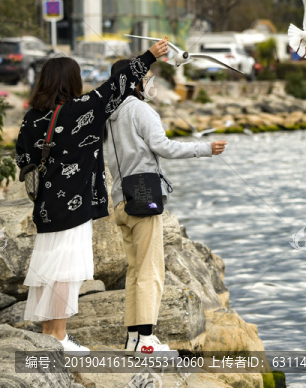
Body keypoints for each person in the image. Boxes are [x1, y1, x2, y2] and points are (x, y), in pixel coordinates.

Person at [14, 39, 167, 352]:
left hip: (45, 206)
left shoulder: (31, 118)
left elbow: (21, 158)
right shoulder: (80, 110)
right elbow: (117, 84)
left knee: (49, 268)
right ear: (72, 81)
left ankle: (49, 333)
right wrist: (150, 56)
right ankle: (57, 337)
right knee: (65, 271)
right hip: (75, 203)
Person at [104, 60, 226, 356]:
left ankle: (134, 338)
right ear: (134, 82)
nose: (150, 82)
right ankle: (146, 340)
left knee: (135, 271)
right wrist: (205, 149)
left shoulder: (107, 115)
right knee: (151, 270)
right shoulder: (141, 110)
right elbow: (164, 147)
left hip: (119, 199)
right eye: (146, 77)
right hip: (143, 196)